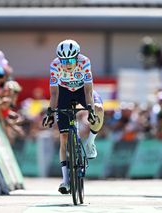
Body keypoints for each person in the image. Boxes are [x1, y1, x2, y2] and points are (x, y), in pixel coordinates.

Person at [42, 39, 104, 194]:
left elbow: (89, 90)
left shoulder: (84, 62)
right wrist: (50, 111)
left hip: (82, 90)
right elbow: (54, 92)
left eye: (70, 60)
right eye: (64, 60)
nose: (67, 63)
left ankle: (90, 142)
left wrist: (90, 109)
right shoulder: (55, 65)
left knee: (99, 109)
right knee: (63, 137)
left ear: (77, 57)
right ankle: (65, 180)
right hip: (64, 92)